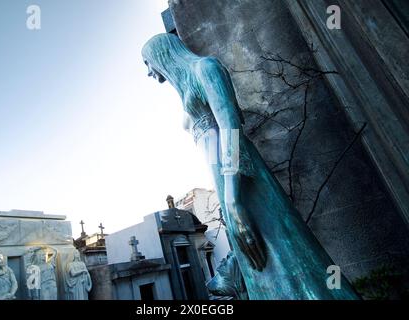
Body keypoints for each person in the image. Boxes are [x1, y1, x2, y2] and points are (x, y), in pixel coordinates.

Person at [142, 33, 359, 299]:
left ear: (162, 54)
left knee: (281, 247)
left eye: (147, 63)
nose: (149, 72)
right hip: (223, 181)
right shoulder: (185, 91)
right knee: (259, 264)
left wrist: (233, 200)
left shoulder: (205, 68)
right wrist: (226, 197)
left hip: (241, 177)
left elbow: (230, 127)